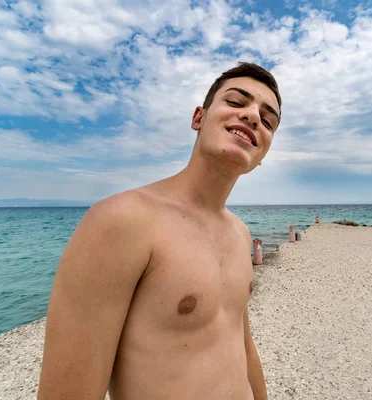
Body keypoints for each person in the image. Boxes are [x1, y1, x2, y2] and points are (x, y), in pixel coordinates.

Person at [37, 62, 282, 400]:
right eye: (236, 102)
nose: (254, 116)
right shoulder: (121, 220)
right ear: (199, 118)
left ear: (262, 153)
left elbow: (242, 345)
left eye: (268, 120)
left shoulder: (240, 233)